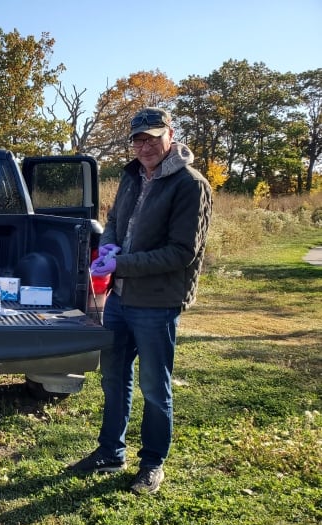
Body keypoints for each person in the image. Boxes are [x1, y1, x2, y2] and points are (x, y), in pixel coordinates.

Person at [69, 107, 212, 494]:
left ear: (170, 134)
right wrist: (109, 242)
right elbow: (114, 218)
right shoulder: (132, 176)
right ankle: (110, 452)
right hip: (120, 299)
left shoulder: (189, 184)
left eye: (151, 137)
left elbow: (181, 252)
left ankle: (152, 464)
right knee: (114, 379)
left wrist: (121, 263)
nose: (144, 146)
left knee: (154, 386)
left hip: (157, 302)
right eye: (138, 140)